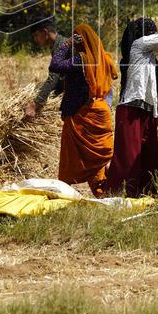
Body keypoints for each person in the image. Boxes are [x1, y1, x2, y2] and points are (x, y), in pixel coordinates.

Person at [104, 18, 158, 197]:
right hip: (130, 109)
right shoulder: (138, 46)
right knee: (128, 156)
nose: (153, 35)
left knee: (148, 155)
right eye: (151, 31)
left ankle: (146, 193)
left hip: (148, 110)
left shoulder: (150, 58)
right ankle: (119, 193)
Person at [49, 23, 118, 198]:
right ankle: (103, 191)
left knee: (72, 155)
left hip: (83, 114)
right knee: (97, 159)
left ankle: (63, 192)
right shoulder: (105, 58)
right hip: (101, 111)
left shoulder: (82, 60)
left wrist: (66, 44)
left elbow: (55, 65)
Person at [25, 19, 66, 119]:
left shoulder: (61, 47)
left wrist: (36, 104)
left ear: (45, 32)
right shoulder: (59, 44)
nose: (35, 39)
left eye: (36, 35)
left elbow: (53, 78)